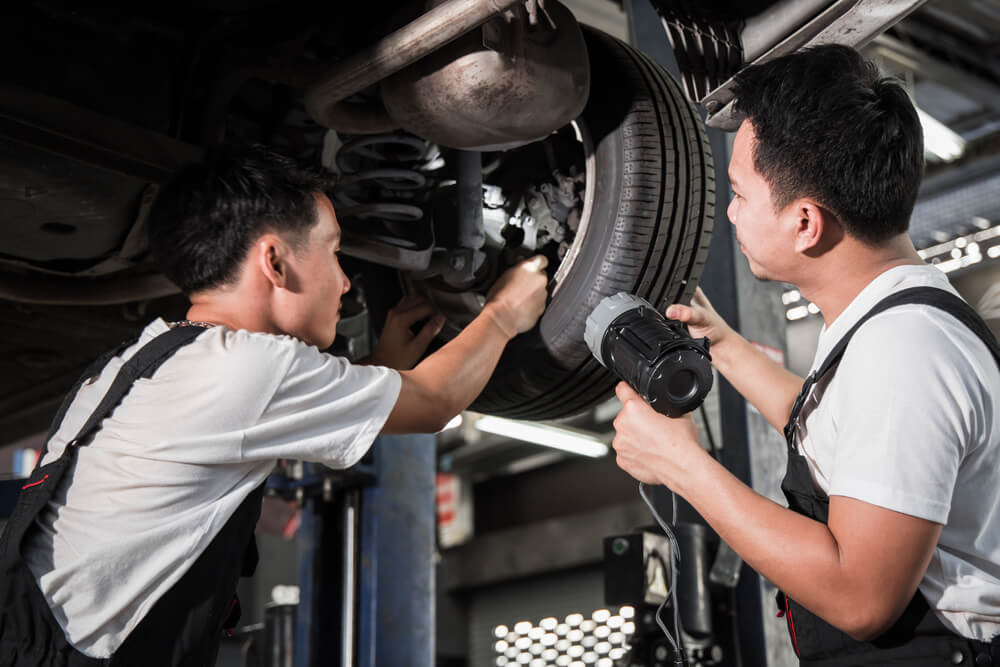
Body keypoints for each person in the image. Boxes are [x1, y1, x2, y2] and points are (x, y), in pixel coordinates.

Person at [0, 145, 549, 665]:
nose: (342, 281)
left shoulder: (147, 355)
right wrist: (503, 313)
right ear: (274, 262)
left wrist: (382, 368)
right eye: (333, 252)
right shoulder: (248, 366)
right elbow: (432, 403)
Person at [611, 44, 1000, 665]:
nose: (731, 214)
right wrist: (725, 346)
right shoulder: (889, 324)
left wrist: (682, 465)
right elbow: (843, 434)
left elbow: (859, 596)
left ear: (804, 224)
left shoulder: (905, 352)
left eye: (739, 193)